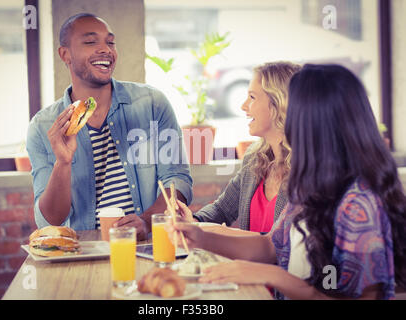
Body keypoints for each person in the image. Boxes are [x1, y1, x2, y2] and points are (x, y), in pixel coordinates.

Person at [169, 64, 406, 299]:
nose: (288, 120)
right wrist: (201, 237)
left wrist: (273, 276)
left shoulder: (359, 203)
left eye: (295, 113)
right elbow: (271, 246)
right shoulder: (311, 184)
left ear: (317, 123)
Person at [26, 13, 193, 240]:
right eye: (90, 42)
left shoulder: (153, 103)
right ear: (65, 54)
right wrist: (63, 162)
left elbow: (177, 179)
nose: (105, 49)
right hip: (83, 253)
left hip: (149, 247)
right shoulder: (41, 127)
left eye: (110, 42)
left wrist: (146, 222)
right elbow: (49, 220)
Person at [179, 62, 300, 234]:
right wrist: (194, 220)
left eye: (252, 97)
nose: (244, 106)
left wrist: (219, 236)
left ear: (278, 103)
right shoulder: (255, 157)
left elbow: (280, 245)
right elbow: (222, 209)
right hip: (245, 261)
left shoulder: (308, 169)